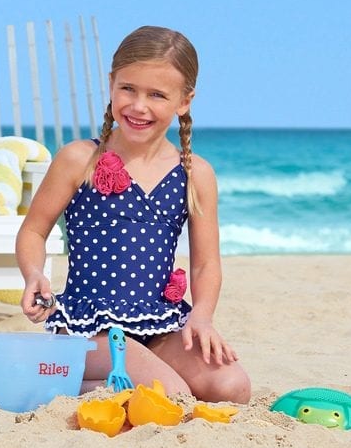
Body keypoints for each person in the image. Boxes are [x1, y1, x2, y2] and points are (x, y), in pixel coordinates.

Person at [15, 25, 250, 403]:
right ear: (111, 84)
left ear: (184, 101)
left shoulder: (195, 174)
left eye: (157, 95)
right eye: (129, 89)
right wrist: (34, 274)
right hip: (90, 329)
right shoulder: (80, 159)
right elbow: (33, 231)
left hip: (161, 324)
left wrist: (201, 317)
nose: (139, 106)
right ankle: (55, 374)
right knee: (170, 394)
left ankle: (115, 378)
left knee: (232, 388)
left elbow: (206, 264)